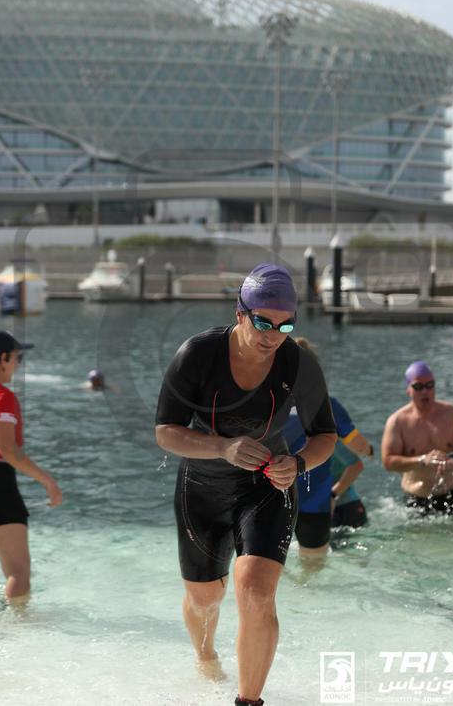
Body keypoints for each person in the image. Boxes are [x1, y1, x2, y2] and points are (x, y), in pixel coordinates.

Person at [155, 263, 337, 706]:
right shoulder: (198, 354)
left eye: (285, 325)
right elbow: (166, 432)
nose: (273, 335)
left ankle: (249, 700)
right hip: (202, 487)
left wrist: (297, 463)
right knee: (205, 599)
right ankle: (206, 656)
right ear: (240, 313)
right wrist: (222, 447)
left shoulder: (299, 363)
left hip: (267, 486)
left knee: (255, 591)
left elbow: (325, 437)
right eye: (263, 322)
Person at [0, 330, 63, 600]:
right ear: (3, 358)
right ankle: (17, 627)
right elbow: (7, 450)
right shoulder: (1, 396)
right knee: (18, 573)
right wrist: (48, 481)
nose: (18, 364)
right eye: (18, 358)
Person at [284, 338, 372, 562]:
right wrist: (369, 450)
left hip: (271, 498)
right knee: (313, 567)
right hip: (314, 503)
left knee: (265, 564)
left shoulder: (264, 404)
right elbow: (358, 446)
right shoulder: (327, 405)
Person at [381, 360, 453, 522]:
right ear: (408, 389)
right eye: (418, 387)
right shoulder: (397, 422)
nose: (425, 391)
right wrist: (421, 460)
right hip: (417, 496)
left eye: (430, 385)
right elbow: (388, 462)